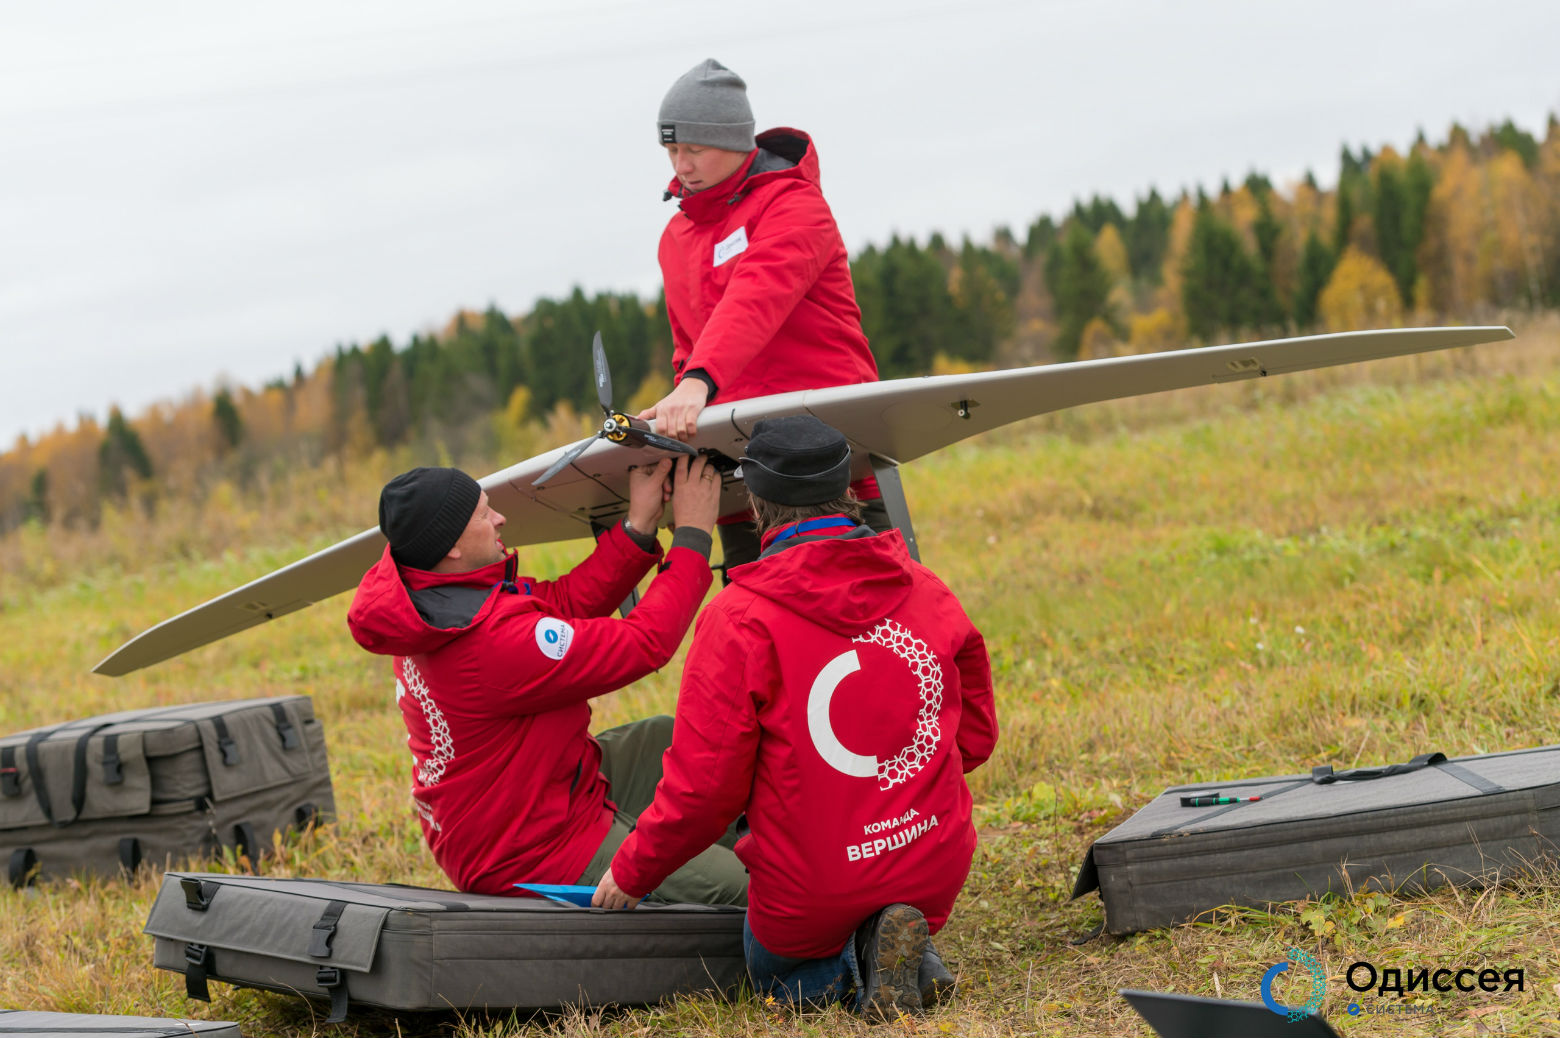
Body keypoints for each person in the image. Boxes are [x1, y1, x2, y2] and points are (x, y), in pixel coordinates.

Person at [592, 416, 998, 1019]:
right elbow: (976, 737)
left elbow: (705, 791)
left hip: (812, 893)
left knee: (770, 971)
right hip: (932, 866)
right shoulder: (926, 586)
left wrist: (632, 871)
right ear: (851, 489)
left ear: (755, 505)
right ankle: (908, 952)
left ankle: (851, 965)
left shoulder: (736, 619)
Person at [346, 455, 747, 907]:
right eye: (483, 514)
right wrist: (693, 534)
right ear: (452, 547)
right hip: (531, 848)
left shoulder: (430, 600)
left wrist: (638, 525)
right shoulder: (486, 642)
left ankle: (737, 841)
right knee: (737, 888)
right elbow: (645, 642)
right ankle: (741, 882)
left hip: (526, 797)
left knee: (673, 740)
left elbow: (559, 603)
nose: (500, 518)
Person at [639, 58, 892, 571]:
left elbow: (756, 297)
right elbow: (687, 350)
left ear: (736, 142)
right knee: (757, 629)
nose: (679, 166)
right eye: (671, 150)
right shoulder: (677, 238)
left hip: (830, 459)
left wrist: (697, 383)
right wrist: (677, 420)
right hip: (745, 476)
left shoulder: (796, 206)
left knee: (872, 612)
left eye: (693, 149)